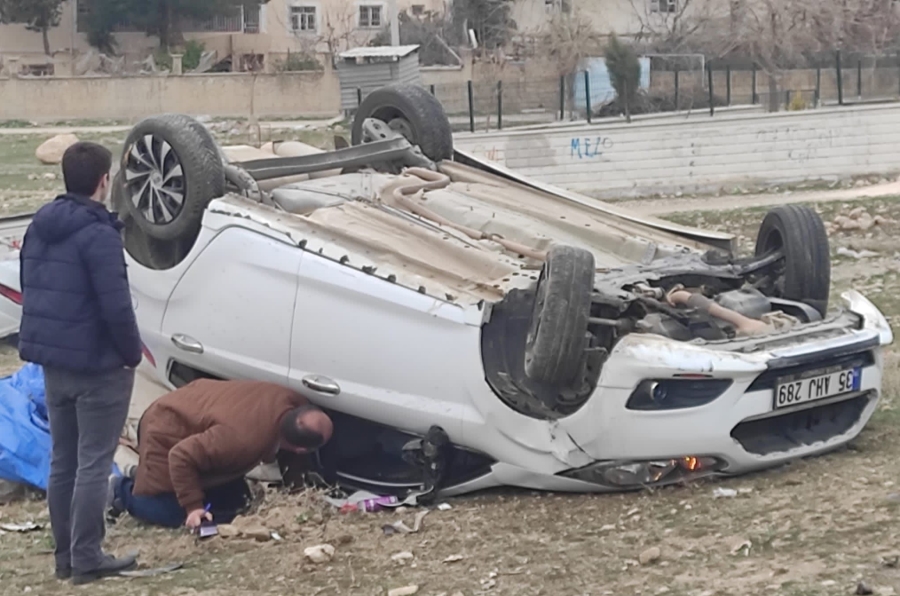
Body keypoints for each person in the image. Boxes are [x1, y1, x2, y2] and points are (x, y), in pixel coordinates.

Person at [18, 142, 143, 585]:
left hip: (53, 364)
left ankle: (65, 557)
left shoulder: (39, 226)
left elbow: (31, 288)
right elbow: (116, 307)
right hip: (98, 367)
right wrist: (132, 355)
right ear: (104, 182)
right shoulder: (100, 235)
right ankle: (87, 557)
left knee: (63, 461)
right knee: (93, 462)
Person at [108, 379, 334, 530]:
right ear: (301, 448)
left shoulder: (294, 407)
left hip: (200, 417)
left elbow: (291, 457)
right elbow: (180, 455)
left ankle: (146, 476)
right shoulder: (241, 439)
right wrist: (193, 507)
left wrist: (297, 492)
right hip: (167, 428)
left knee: (237, 504)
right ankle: (120, 490)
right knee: (170, 514)